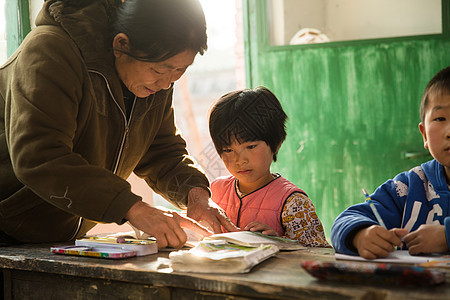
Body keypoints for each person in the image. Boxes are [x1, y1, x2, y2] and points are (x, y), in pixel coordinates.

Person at [0, 0, 238, 249]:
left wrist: (197, 195)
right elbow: (39, 156)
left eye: (179, 71)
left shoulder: (153, 77)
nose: (167, 84)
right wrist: (133, 207)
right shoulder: (50, 51)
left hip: (55, 239)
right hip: (5, 232)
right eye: (159, 71)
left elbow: (161, 150)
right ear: (121, 45)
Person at [331, 66, 450, 259]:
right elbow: (343, 221)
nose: (449, 131)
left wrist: (446, 236)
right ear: (424, 134)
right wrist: (360, 235)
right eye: (440, 118)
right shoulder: (410, 186)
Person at [208, 87, 330, 247]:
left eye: (251, 147)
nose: (240, 160)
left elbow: (319, 255)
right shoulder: (215, 192)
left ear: (276, 144)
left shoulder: (294, 203)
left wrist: (280, 244)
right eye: (228, 150)